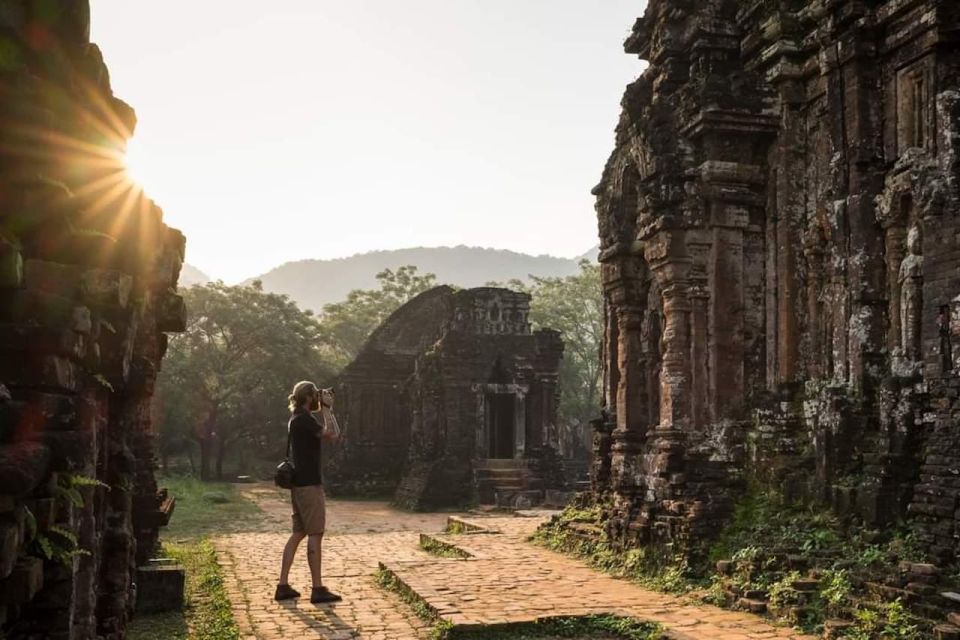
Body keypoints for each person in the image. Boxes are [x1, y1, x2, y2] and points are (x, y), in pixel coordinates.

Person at [275, 381, 342, 603]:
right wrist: (327, 408)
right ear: (308, 397)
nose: (317, 398)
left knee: (299, 533)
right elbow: (333, 434)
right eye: (315, 395)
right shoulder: (304, 420)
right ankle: (317, 588)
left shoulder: (296, 419)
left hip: (299, 484)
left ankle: (283, 585)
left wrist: (323, 406)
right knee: (315, 533)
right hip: (309, 485)